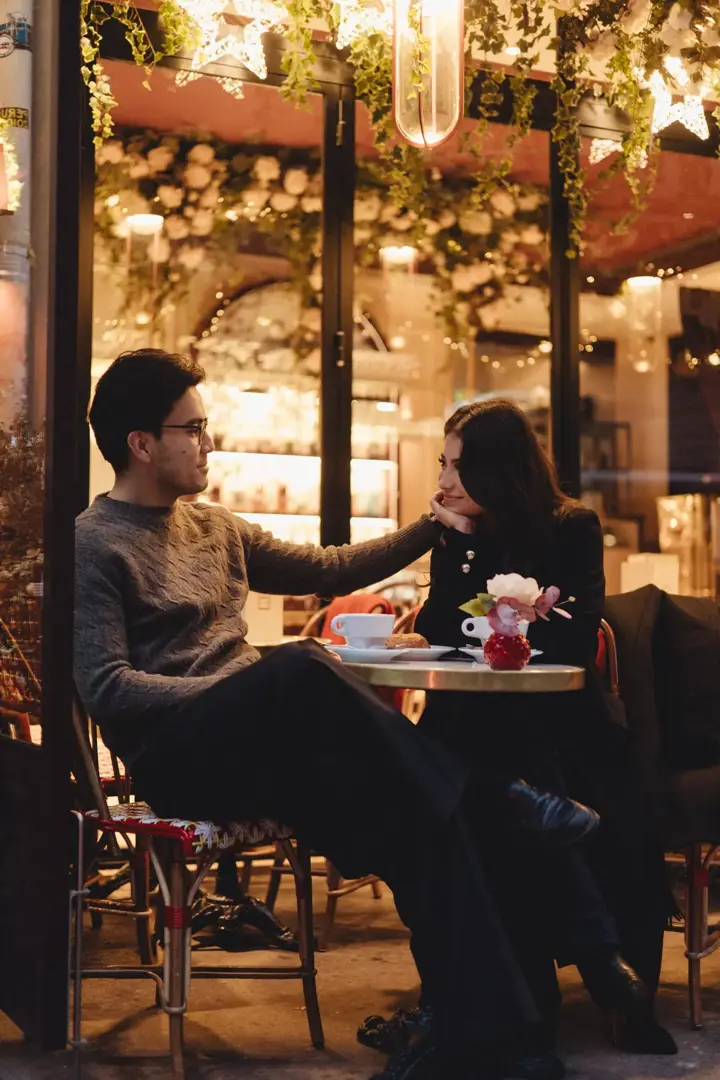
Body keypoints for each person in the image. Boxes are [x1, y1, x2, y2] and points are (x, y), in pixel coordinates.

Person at [74, 350, 600, 1080]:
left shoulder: (214, 528)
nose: (208, 442)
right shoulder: (94, 543)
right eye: (192, 428)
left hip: (264, 745)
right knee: (299, 662)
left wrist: (430, 525)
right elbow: (108, 688)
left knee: (424, 817)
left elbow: (330, 568)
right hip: (179, 759)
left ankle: (498, 1040)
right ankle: (495, 794)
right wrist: (245, 689)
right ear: (141, 442)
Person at [409, 400, 675, 1057]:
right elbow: (438, 629)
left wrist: (505, 615)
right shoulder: (459, 535)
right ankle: (581, 977)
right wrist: (465, 549)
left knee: (519, 778)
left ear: (499, 471)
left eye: (459, 467)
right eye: (442, 464)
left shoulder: (570, 527)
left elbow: (576, 644)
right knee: (493, 784)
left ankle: (547, 1014)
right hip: (476, 725)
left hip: (560, 725)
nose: (443, 481)